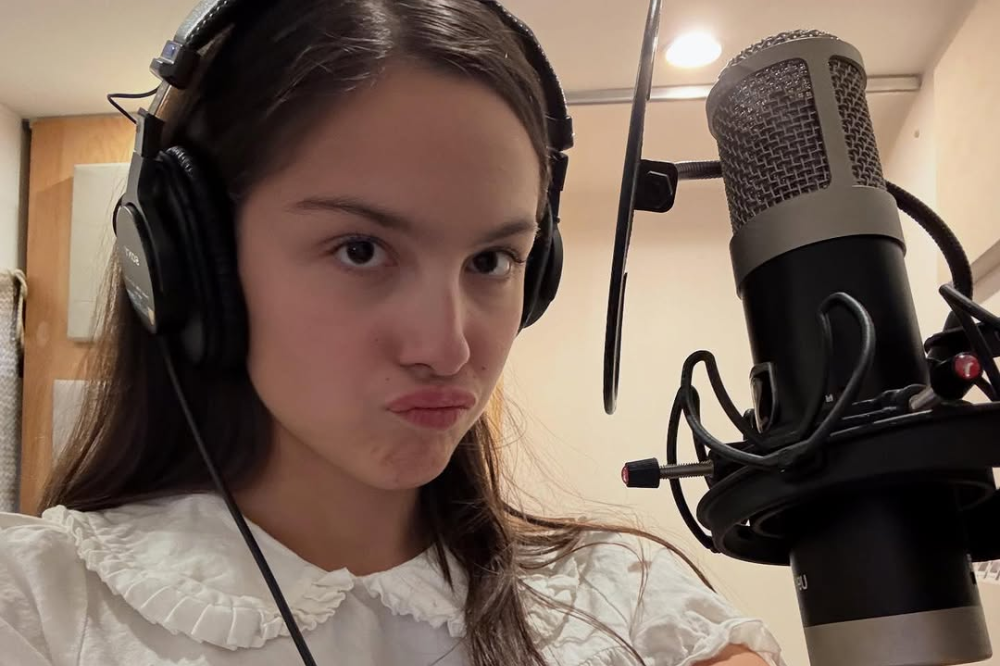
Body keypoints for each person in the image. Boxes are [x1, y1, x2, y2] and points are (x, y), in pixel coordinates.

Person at [0, 1, 785, 665]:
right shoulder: (39, 608)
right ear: (189, 261)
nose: (448, 349)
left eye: (492, 260)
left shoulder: (633, 606)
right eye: (361, 250)